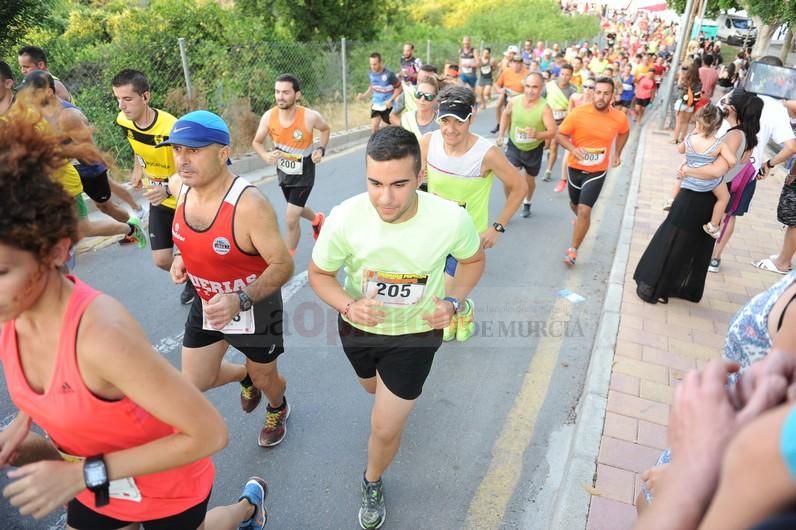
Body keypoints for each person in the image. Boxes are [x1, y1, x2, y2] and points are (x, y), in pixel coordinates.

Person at [0, 104, 269, 530]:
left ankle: (247, 509)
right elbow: (50, 385)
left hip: (163, 487)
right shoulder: (11, 310)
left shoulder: (101, 335)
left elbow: (209, 434)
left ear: (54, 250)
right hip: (98, 484)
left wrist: (80, 473)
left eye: (1, 271)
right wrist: (22, 422)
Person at [309, 126, 485, 530]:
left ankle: (372, 479)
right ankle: (384, 399)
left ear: (419, 177)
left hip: (417, 334)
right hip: (358, 329)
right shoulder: (345, 218)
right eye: (375, 183)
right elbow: (320, 274)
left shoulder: (450, 219)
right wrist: (350, 304)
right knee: (371, 389)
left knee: (384, 426)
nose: (385, 198)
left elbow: (473, 261)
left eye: (399, 184)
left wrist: (453, 301)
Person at [162, 111, 295, 448]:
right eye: (178, 150)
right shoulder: (179, 187)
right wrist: (180, 258)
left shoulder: (249, 205)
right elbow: (187, 238)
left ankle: (278, 406)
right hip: (208, 303)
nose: (183, 160)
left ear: (223, 153)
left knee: (267, 378)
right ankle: (244, 373)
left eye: (194, 150)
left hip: (254, 306)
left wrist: (240, 299)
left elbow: (282, 265)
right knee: (195, 380)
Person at [635, 92, 763, 304]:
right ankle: (670, 286)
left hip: (700, 192)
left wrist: (687, 170)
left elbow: (717, 170)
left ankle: (657, 288)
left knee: (674, 237)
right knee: (688, 242)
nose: (724, 104)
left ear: (735, 109)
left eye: (728, 102)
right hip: (711, 193)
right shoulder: (744, 136)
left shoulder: (734, 136)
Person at [420, 86, 526, 341]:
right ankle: (457, 309)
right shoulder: (428, 142)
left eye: (458, 121)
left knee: (446, 289)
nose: (450, 129)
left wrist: (497, 227)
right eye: (445, 120)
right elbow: (416, 181)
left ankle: (464, 308)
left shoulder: (486, 154)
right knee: (433, 288)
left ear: (472, 117)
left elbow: (519, 187)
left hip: (467, 236)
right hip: (433, 232)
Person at [17, 70, 147, 251]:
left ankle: (133, 227)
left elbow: (90, 152)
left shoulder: (68, 117)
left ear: (48, 92)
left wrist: (53, 153)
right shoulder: (38, 112)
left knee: (106, 207)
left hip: (88, 170)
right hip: (65, 172)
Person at [111, 69, 196, 305]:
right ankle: (195, 280)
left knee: (196, 252)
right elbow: (136, 146)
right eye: (117, 99)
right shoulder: (123, 121)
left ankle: (205, 281)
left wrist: (168, 188)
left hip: (183, 198)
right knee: (161, 260)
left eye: (127, 99)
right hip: (158, 200)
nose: (121, 106)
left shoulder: (172, 127)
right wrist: (138, 169)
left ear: (145, 97)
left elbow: (189, 167)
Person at [710, 79, 796, 274]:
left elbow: (712, 124)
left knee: (708, 206)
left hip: (718, 160)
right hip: (746, 169)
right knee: (729, 214)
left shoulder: (732, 96)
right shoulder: (776, 108)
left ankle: (698, 251)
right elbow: (791, 147)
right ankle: (714, 258)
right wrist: (769, 164)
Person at [252, 74, 330, 255]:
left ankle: (288, 256)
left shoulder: (310, 117)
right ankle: (317, 220)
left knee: (290, 217)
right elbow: (257, 142)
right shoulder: (268, 117)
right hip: (284, 171)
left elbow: (325, 130)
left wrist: (320, 149)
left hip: (305, 172)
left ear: (297, 95)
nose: (280, 96)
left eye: (286, 92)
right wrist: (265, 155)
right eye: (277, 92)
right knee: (296, 206)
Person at [557, 76, 629, 266]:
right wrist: (573, 149)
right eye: (598, 92)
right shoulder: (578, 113)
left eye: (606, 93)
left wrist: (617, 153)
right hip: (575, 167)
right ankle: (583, 222)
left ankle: (572, 250)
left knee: (584, 210)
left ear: (612, 96)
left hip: (598, 170)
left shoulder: (619, 117)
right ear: (592, 92)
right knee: (575, 206)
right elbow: (560, 135)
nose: (601, 97)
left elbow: (624, 132)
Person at [497, 72, 557, 218]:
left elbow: (553, 131)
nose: (530, 90)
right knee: (508, 177)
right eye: (528, 86)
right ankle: (510, 203)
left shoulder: (544, 108)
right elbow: (505, 114)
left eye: (535, 87)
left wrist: (537, 135)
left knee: (529, 181)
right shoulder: (515, 101)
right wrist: (501, 134)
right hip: (514, 146)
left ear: (541, 87)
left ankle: (527, 202)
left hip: (533, 149)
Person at [673, 104, 736, 238]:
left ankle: (671, 199)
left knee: (680, 172)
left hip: (688, 178)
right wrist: (727, 168)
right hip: (708, 181)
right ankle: (713, 226)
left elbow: (680, 150)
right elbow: (732, 161)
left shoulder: (690, 138)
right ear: (718, 127)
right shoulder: (719, 144)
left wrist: (687, 139)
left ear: (698, 122)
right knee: (724, 197)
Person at [553, 77, 596, 194]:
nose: (587, 90)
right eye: (585, 87)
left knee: (586, 158)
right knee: (568, 155)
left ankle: (585, 181)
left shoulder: (596, 103)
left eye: (591, 87)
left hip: (590, 134)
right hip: (575, 132)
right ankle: (563, 180)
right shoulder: (575, 97)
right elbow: (569, 114)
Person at [541, 64, 577, 182]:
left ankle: (548, 171)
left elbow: (575, 107)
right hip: (548, 119)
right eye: (562, 74)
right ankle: (548, 152)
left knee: (554, 145)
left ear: (571, 76)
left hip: (563, 121)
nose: (565, 77)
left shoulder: (574, 90)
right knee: (546, 145)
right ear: (559, 74)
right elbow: (541, 99)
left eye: (567, 75)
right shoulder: (549, 86)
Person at [357, 53, 402, 136]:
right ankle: (375, 148)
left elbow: (399, 88)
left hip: (388, 105)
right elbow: (372, 86)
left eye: (375, 64)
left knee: (384, 129)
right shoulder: (371, 73)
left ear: (380, 62)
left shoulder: (389, 74)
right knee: (374, 128)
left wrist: (391, 100)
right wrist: (364, 96)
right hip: (376, 104)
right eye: (371, 64)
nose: (372, 66)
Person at [491, 55, 528, 134]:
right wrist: (499, 90)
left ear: (521, 64)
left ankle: (510, 134)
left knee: (512, 117)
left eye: (518, 63)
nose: (516, 65)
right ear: (511, 63)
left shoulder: (526, 73)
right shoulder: (506, 71)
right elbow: (496, 84)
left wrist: (525, 86)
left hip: (519, 96)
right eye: (514, 62)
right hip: (507, 94)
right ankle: (499, 124)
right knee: (498, 105)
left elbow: (529, 88)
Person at [400, 75, 440, 141]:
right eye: (419, 94)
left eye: (428, 96)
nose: (422, 99)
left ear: (435, 99)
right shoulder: (406, 118)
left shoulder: (441, 123)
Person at [672, 63, 702, 144]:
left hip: (682, 102)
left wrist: (681, 76)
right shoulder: (699, 82)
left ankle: (675, 139)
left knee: (678, 122)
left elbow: (679, 86)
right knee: (685, 122)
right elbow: (698, 94)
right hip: (691, 104)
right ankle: (682, 139)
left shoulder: (685, 79)